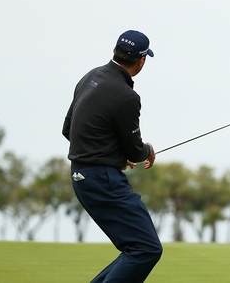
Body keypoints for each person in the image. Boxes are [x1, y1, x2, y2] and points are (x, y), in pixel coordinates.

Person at [62, 30, 162, 282]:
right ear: (142, 60)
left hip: (81, 175)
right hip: (102, 179)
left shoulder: (91, 77)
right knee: (146, 248)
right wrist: (146, 150)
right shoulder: (127, 96)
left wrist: (113, 153)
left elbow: (68, 130)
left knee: (136, 248)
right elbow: (135, 150)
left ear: (115, 52)